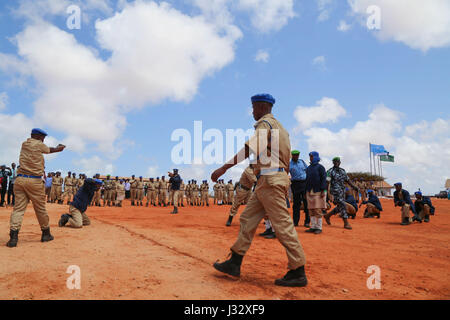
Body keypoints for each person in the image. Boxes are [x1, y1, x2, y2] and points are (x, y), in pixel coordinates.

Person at [212, 93, 308, 287]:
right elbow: (286, 159)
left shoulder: (265, 124)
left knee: (282, 225)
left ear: (263, 108)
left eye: (254, 108)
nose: (253, 112)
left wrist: (224, 168)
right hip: (268, 180)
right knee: (247, 218)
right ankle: (235, 262)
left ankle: (298, 270)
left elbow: (250, 148)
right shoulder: (282, 129)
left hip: (270, 180)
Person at [6, 128, 65, 247]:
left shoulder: (24, 144)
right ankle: (46, 233)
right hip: (34, 181)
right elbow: (51, 150)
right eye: (43, 138)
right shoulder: (38, 144)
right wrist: (60, 148)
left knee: (18, 209)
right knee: (40, 209)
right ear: (38, 136)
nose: (43, 140)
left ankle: (13, 237)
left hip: (20, 180)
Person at [323, 157, 359, 230]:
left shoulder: (343, 171)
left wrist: (355, 187)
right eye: (335, 161)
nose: (336, 163)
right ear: (333, 162)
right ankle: (346, 223)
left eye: (338, 161)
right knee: (342, 204)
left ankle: (327, 216)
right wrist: (327, 194)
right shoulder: (330, 172)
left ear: (340, 162)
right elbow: (327, 183)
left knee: (340, 206)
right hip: (335, 193)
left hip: (342, 192)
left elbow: (348, 180)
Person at [304, 151, 327, 235]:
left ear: (316, 157)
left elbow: (323, 179)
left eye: (312, 156)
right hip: (309, 191)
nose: (310, 158)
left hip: (318, 191)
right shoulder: (309, 168)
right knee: (311, 210)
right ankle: (313, 227)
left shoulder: (320, 167)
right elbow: (307, 180)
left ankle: (319, 227)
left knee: (317, 209)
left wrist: (323, 190)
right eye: (310, 156)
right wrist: (305, 190)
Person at [289, 150, 310, 228]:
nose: (296, 156)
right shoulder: (289, 164)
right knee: (296, 204)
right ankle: (295, 222)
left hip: (304, 183)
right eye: (294, 155)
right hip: (295, 184)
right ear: (292, 155)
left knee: (306, 203)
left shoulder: (302, 162)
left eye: (297, 155)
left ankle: (307, 222)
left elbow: (308, 170)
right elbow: (286, 173)